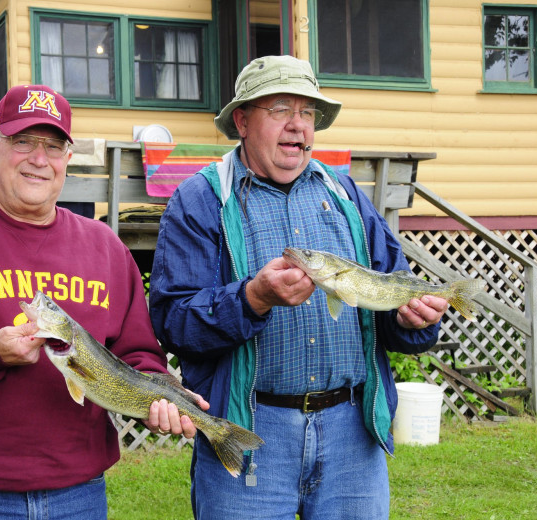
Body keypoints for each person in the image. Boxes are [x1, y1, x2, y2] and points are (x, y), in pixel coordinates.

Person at [0, 84, 203, 520]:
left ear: (67, 158)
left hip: (78, 495)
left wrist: (157, 394)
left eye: (53, 145)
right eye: (22, 141)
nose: (39, 159)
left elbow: (136, 354)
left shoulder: (104, 246)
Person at [149, 55, 446, 519]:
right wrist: (252, 299)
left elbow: (392, 293)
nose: (298, 126)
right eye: (280, 109)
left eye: (307, 112)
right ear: (242, 121)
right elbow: (173, 323)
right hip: (249, 430)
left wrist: (413, 319)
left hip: (352, 434)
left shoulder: (346, 196)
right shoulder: (201, 200)